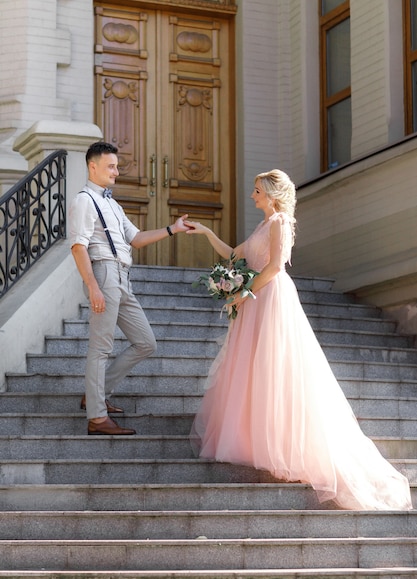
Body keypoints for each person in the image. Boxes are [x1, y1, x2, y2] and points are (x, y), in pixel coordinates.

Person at [184, 169, 412, 510]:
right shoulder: (262, 225)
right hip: (255, 300)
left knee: (277, 369)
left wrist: (243, 294)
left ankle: (284, 448)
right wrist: (204, 232)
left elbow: (275, 267)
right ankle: (256, 442)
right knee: (254, 371)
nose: (252, 195)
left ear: (272, 194)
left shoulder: (279, 223)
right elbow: (234, 254)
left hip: (270, 299)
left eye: (257, 190)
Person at [69, 141, 189, 435]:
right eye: (111, 166)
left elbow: (135, 238)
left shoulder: (112, 202)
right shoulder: (84, 200)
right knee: (101, 348)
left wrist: (172, 229)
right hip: (104, 274)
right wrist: (93, 287)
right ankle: (97, 418)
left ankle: (96, 395)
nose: (117, 172)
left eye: (117, 166)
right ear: (92, 166)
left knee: (146, 342)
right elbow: (78, 246)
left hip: (123, 277)